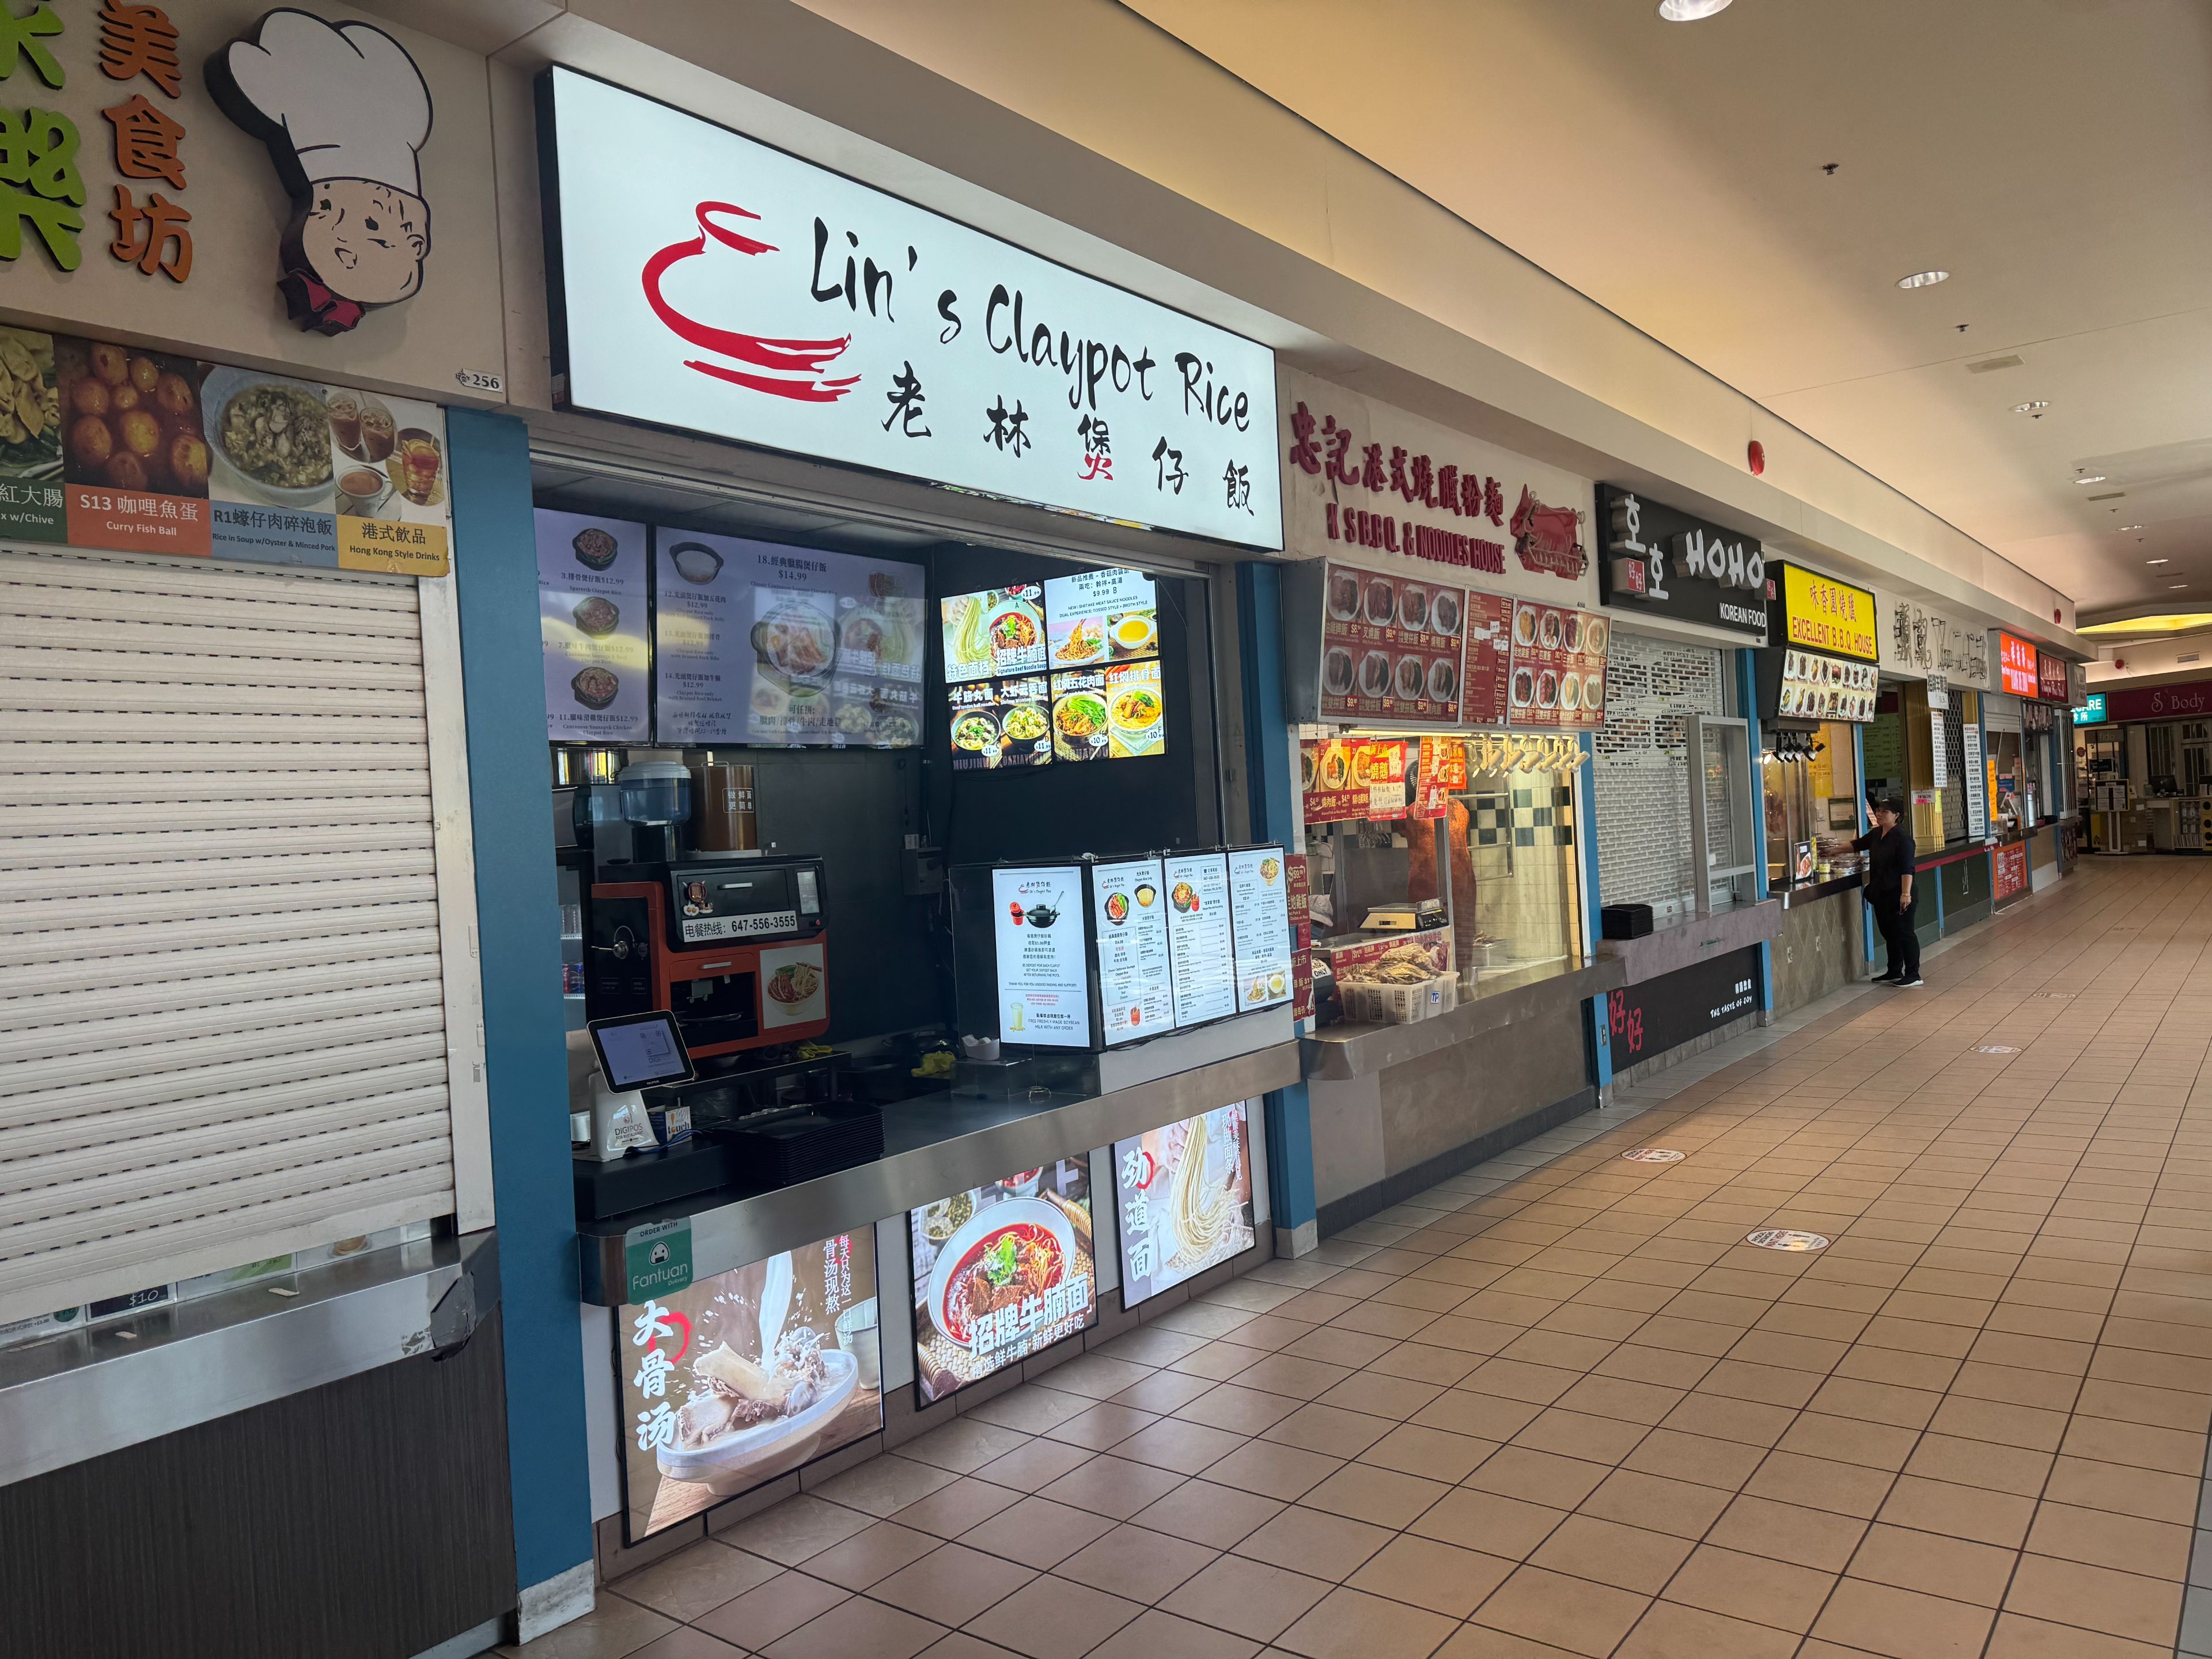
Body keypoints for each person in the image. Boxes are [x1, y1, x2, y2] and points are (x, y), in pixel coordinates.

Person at [1824, 796, 1920, 986]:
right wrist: (1833, 851)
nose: (1879, 814)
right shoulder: (1877, 834)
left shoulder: (1903, 839)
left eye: (1885, 812)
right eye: (1878, 810)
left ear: (1897, 816)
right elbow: (1857, 845)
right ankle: (1894, 970)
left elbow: (1907, 869)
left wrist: (1906, 894)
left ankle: (1913, 974)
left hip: (1899, 894)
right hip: (1882, 893)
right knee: (1889, 933)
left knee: (1904, 933)